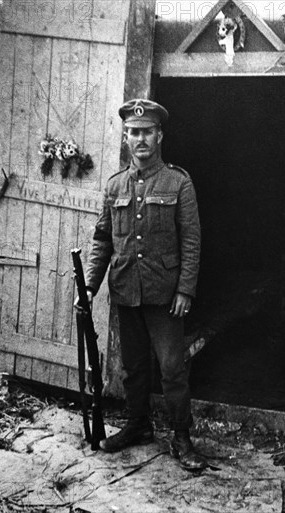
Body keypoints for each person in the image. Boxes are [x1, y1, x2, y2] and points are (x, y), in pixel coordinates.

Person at [77, 98, 207, 470]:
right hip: (125, 290)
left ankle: (181, 437)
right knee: (133, 367)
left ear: (159, 135)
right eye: (133, 133)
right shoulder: (115, 185)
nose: (140, 139)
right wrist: (89, 286)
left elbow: (192, 241)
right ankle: (138, 426)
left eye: (147, 132)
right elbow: (103, 239)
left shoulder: (178, 183)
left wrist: (185, 289)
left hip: (164, 295)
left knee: (171, 369)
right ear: (125, 138)